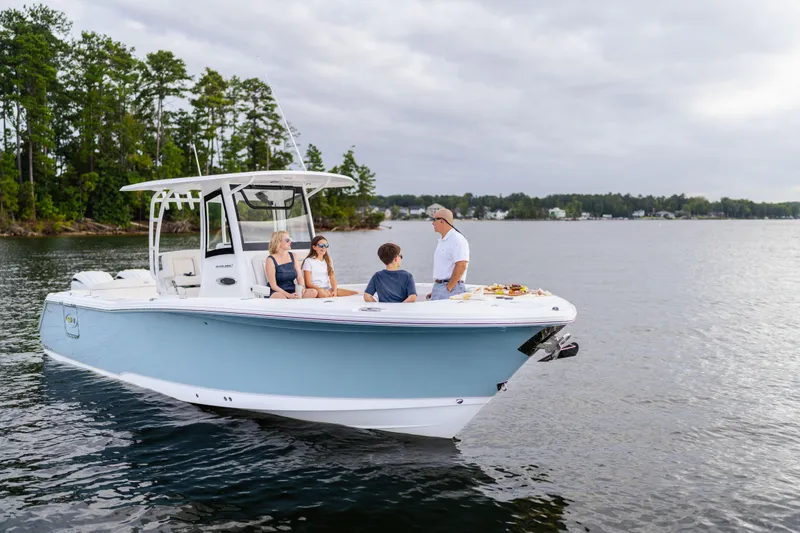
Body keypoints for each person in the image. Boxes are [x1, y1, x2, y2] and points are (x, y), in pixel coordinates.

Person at [428, 208, 469, 300]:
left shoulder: (457, 239)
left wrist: (448, 288)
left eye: (434, 220)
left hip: (452, 289)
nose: (432, 223)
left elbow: (461, 265)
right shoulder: (443, 240)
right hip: (441, 287)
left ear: (442, 221)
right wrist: (436, 290)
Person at [265, 231, 317, 299]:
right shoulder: (270, 260)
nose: (290, 242)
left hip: (292, 289)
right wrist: (288, 295)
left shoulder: (293, 256)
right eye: (287, 240)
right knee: (282, 298)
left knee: (313, 292)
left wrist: (302, 288)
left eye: (290, 240)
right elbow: (273, 286)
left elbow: (299, 277)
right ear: (278, 242)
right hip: (277, 291)